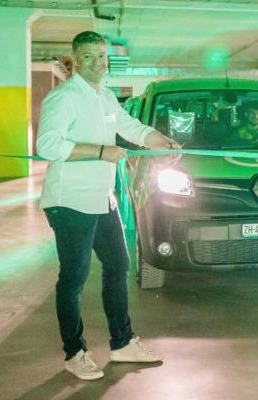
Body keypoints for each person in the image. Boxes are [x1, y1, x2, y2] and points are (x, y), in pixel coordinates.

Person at [36, 31, 180, 380]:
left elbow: (129, 127)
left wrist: (162, 142)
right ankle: (74, 353)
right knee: (74, 277)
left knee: (118, 265)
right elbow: (47, 145)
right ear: (75, 61)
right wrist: (101, 151)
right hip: (70, 201)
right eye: (88, 56)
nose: (97, 62)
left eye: (101, 56)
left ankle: (122, 343)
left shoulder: (105, 97)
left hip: (102, 198)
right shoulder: (64, 98)